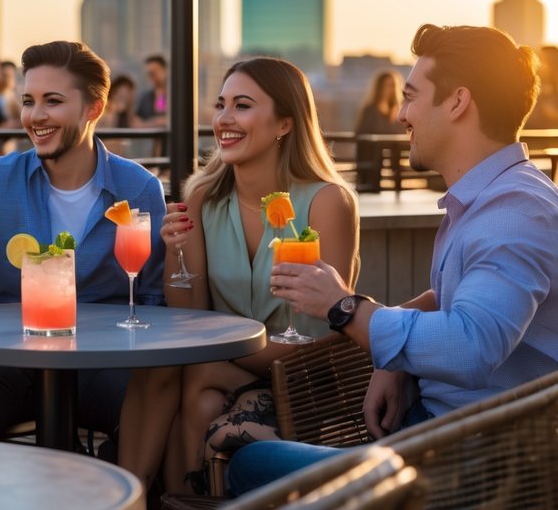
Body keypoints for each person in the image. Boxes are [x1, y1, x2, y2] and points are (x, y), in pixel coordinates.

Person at [227, 24, 558, 494]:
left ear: (458, 103)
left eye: (411, 97)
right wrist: (392, 361)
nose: (401, 114)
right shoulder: (496, 199)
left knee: (249, 464)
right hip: (435, 428)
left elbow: (471, 346)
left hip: (467, 461)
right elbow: (450, 299)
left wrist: (345, 308)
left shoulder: (512, 215)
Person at [124, 57, 358, 494]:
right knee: (196, 384)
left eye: (243, 106)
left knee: (191, 372)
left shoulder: (327, 201)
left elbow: (333, 322)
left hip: (305, 366)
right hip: (222, 365)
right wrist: (177, 256)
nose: (224, 119)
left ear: (285, 123)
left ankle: (142, 496)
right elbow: (188, 316)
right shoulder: (202, 197)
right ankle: (168, 496)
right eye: (221, 104)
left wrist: (222, 349)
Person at [0, 40, 168, 446]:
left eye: (53, 101)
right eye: (28, 101)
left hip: (105, 365)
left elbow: (154, 301)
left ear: (94, 109)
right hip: (12, 362)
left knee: (153, 417)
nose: (35, 116)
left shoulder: (139, 189)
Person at [354, 69, 403, 192]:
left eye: (392, 86)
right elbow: (362, 132)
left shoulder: (396, 110)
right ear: (379, 87)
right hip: (371, 156)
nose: (390, 89)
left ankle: (396, 184)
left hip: (390, 154)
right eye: (386, 85)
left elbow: (398, 132)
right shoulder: (370, 110)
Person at [135, 55, 169, 158]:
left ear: (165, 71)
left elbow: (166, 121)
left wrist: (147, 124)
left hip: (170, 152)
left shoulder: (175, 95)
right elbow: (136, 123)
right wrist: (157, 122)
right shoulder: (146, 97)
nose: (152, 76)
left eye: (155, 72)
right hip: (149, 152)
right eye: (149, 73)